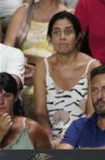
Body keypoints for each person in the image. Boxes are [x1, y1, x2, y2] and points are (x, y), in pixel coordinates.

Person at [33, 11, 99, 145]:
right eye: (56, 32)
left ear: (78, 36)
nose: (62, 37)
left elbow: (93, 113)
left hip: (86, 138)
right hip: (53, 140)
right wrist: (49, 139)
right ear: (50, 38)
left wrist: (71, 141)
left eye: (68, 32)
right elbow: (40, 112)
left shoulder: (92, 67)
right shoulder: (42, 67)